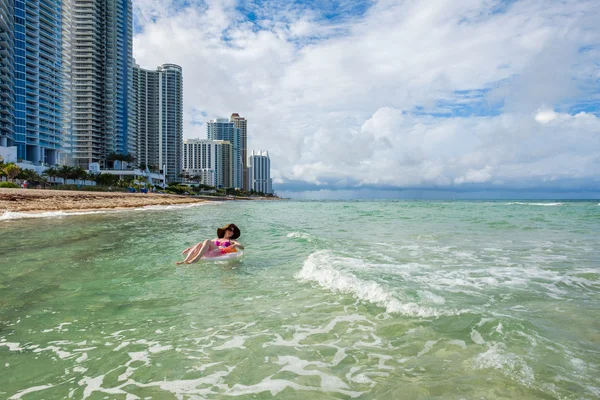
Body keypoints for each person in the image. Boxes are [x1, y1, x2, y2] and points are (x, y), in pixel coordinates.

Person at [177, 223, 244, 264]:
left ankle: (196, 259)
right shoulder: (216, 239)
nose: (231, 232)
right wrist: (190, 248)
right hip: (211, 252)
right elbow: (203, 244)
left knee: (207, 241)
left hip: (219, 252)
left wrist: (235, 245)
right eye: (230, 230)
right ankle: (184, 261)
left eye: (233, 232)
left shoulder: (232, 240)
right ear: (226, 230)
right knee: (199, 244)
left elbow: (242, 247)